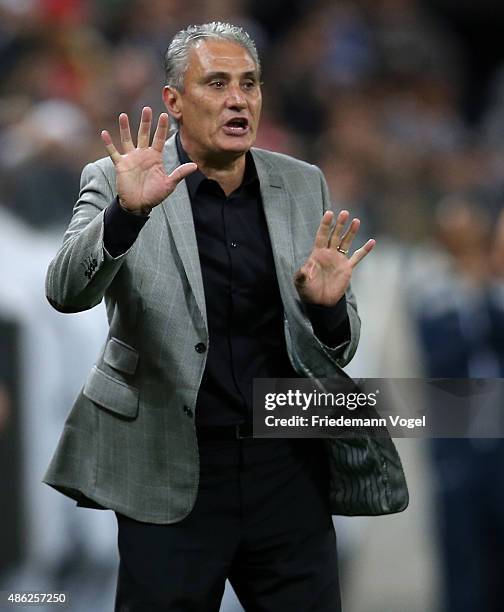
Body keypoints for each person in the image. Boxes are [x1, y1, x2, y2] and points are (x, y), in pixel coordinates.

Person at [44, 22, 407, 611]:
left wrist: (330, 309)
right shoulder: (119, 178)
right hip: (170, 469)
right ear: (174, 102)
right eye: (217, 83)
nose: (239, 99)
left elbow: (337, 349)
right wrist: (124, 217)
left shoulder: (302, 182)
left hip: (286, 468)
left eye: (250, 84)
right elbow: (64, 290)